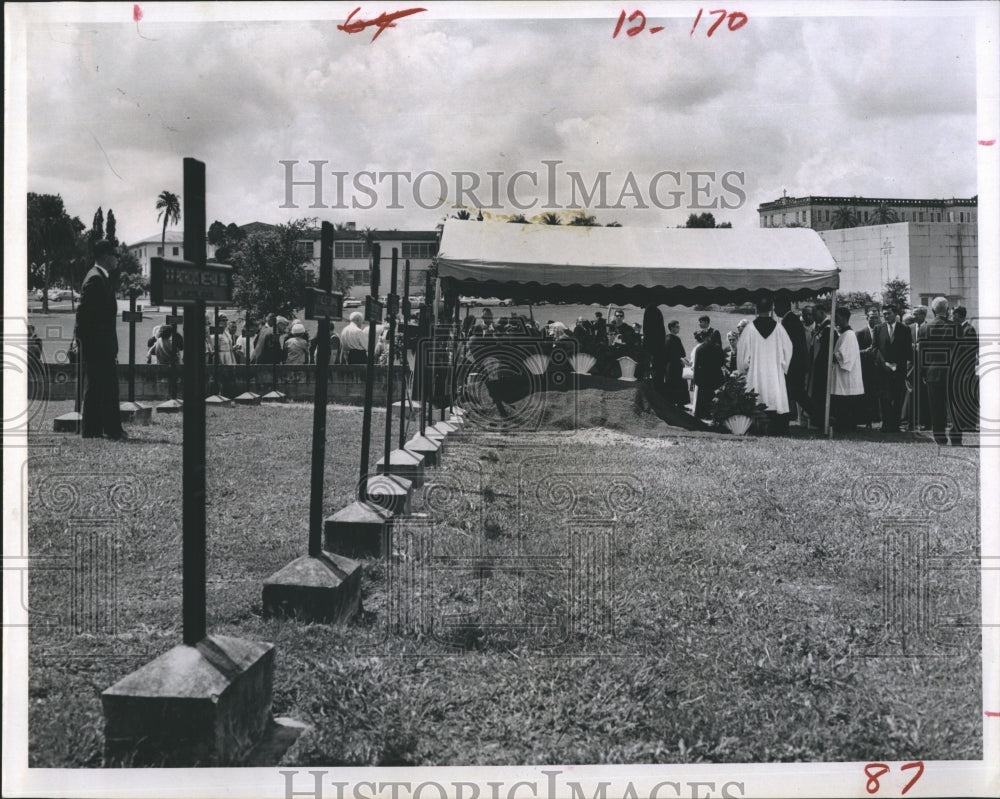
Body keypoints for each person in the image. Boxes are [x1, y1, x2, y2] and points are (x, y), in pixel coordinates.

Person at [74, 240, 126, 439]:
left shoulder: (99, 277)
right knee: (106, 387)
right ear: (105, 256)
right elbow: (84, 315)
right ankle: (112, 430)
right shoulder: (96, 279)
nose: (117, 259)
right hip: (98, 346)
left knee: (97, 388)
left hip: (99, 344)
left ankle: (93, 430)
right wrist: (84, 343)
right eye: (115, 255)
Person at [737, 295, 793, 424]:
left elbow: (742, 352)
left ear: (756, 308)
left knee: (756, 393)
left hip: (756, 372)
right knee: (775, 394)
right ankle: (776, 424)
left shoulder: (749, 329)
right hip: (774, 372)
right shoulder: (779, 328)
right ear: (771, 308)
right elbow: (788, 349)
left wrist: (744, 368)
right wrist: (783, 366)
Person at [918, 296, 962, 445]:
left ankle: (939, 436)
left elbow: (921, 354)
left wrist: (923, 373)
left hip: (932, 372)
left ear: (932, 310)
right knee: (955, 406)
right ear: (948, 310)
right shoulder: (956, 327)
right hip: (952, 371)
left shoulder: (924, 328)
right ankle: (956, 437)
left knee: (936, 407)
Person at [873, 305, 912, 433]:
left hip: (899, 370)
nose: (886, 316)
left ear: (895, 314)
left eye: (888, 313)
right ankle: (886, 424)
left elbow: (908, 351)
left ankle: (895, 425)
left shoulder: (905, 329)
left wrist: (898, 365)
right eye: (884, 314)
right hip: (883, 370)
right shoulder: (878, 329)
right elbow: (875, 349)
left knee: (898, 397)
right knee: (884, 397)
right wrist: (885, 364)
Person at [774, 296, 812, 429]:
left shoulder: (789, 321)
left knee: (797, 394)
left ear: (783, 306)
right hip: (795, 365)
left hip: (794, 366)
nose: (774, 309)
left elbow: (790, 347)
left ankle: (821, 417)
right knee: (796, 394)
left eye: (776, 305)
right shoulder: (790, 320)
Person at [830, 307, 864, 432]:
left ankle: (847, 426)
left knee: (846, 401)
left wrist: (832, 356)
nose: (835, 319)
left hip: (846, 376)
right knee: (842, 402)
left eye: (837, 317)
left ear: (844, 318)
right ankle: (842, 424)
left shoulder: (849, 335)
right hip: (841, 374)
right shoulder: (843, 334)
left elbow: (845, 356)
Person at [951, 305, 979, 433]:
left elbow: (970, 353)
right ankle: (963, 422)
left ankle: (970, 423)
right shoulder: (962, 329)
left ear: (957, 315)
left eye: (953, 314)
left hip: (966, 371)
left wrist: (967, 372)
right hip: (960, 370)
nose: (952, 317)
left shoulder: (969, 330)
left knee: (967, 396)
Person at [855, 310, 882, 429]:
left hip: (880, 369)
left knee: (879, 395)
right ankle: (867, 420)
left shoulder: (882, 332)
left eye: (876, 317)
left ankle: (878, 418)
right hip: (866, 369)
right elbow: (854, 352)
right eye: (872, 317)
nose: (874, 320)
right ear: (867, 318)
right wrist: (865, 352)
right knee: (867, 395)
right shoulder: (860, 333)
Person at [808, 303, 833, 429]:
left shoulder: (828, 328)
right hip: (817, 366)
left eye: (814, 313)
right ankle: (816, 419)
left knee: (820, 394)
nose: (813, 316)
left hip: (823, 367)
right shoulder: (820, 327)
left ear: (822, 312)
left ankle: (820, 420)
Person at [693, 329, 725, 420]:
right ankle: (715, 414)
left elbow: (696, 365)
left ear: (702, 337)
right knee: (714, 397)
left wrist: (696, 379)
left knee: (703, 397)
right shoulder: (717, 347)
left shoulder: (699, 349)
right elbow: (722, 362)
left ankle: (703, 414)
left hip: (703, 377)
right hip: (715, 376)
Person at [663, 320, 689, 408]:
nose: (679, 328)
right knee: (675, 384)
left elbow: (681, 353)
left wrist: (682, 358)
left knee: (678, 384)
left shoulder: (671, 338)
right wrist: (680, 358)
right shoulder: (670, 339)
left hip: (675, 365)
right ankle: (676, 404)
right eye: (677, 327)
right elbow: (669, 354)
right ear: (672, 328)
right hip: (672, 366)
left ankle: (678, 403)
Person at [642, 306, 666, 391]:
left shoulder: (650, 310)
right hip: (658, 349)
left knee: (653, 375)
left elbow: (647, 332)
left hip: (653, 350)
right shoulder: (655, 311)